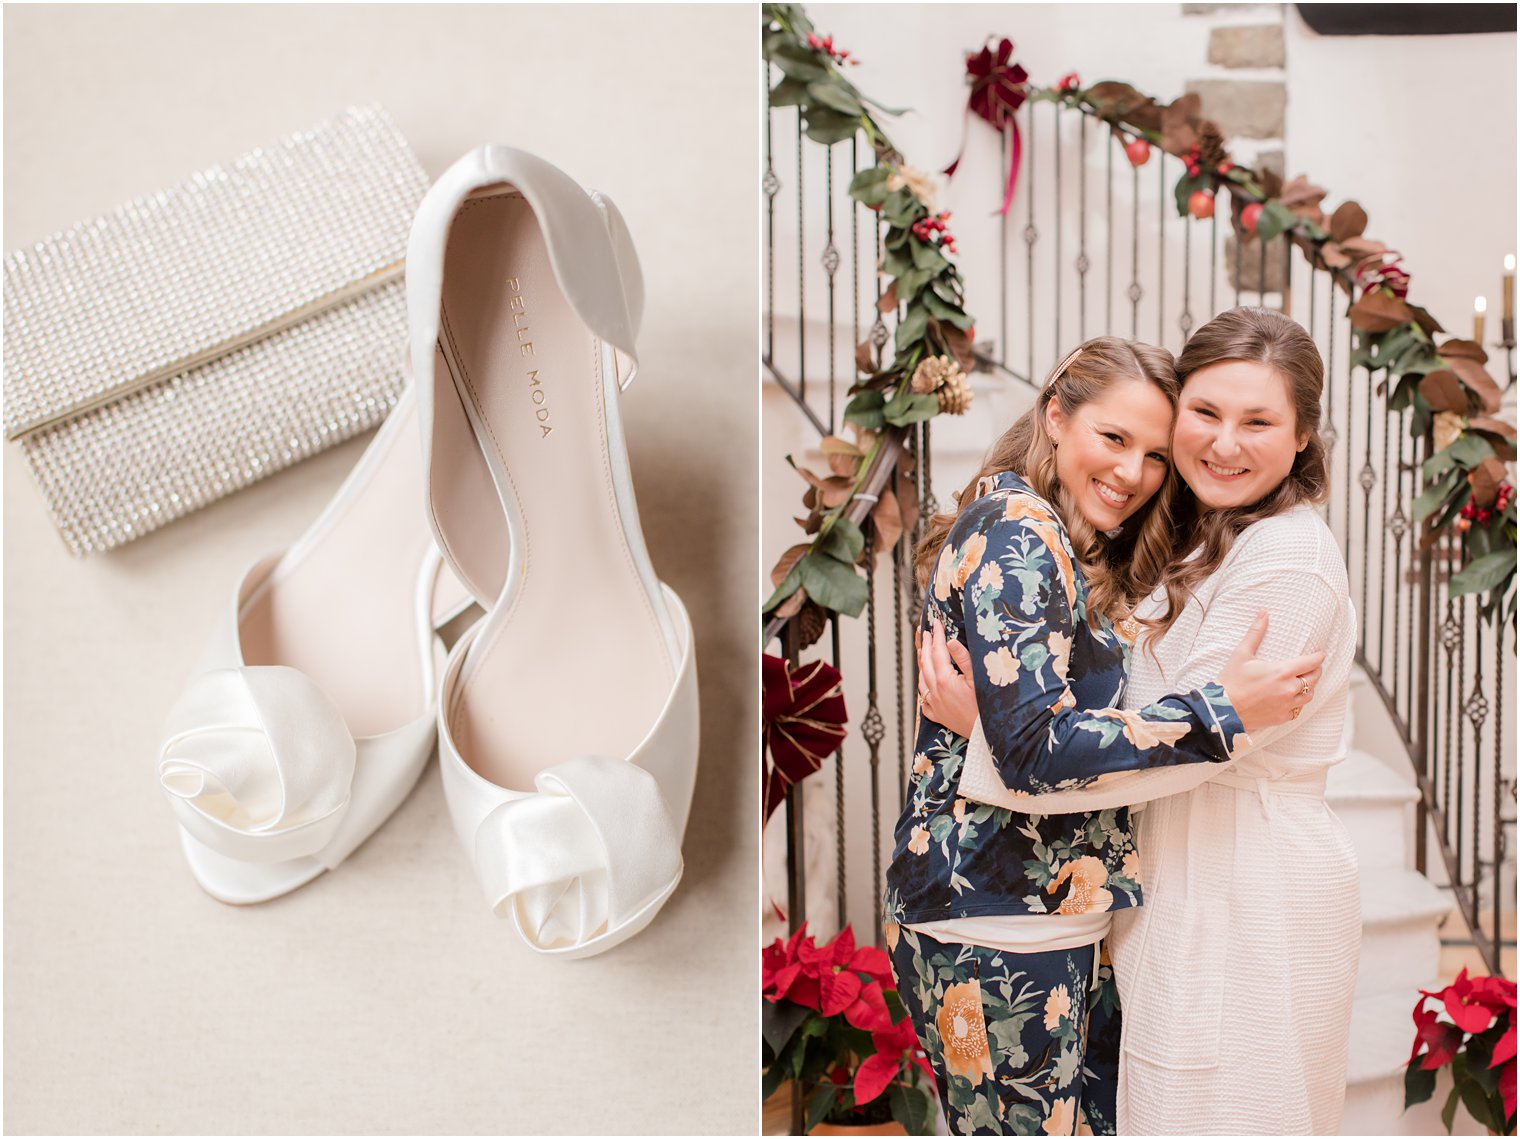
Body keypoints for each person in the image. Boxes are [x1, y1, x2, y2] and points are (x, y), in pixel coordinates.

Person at [921, 307, 1359, 1135]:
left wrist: (988, 739)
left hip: (1244, 892)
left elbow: (1180, 750)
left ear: (1302, 436)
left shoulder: (1287, 565)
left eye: (1258, 421)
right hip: (1160, 884)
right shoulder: (1195, 541)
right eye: (1205, 414)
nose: (1224, 444)